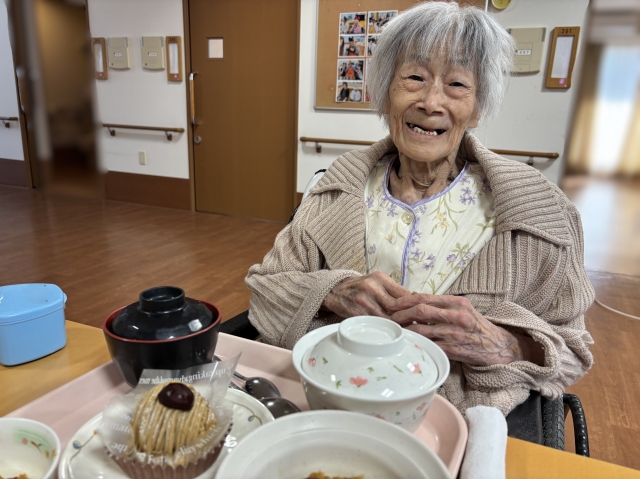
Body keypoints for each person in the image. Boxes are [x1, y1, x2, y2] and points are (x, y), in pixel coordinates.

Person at [246, 2, 594, 416]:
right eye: (414, 77)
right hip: (330, 399)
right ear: (384, 92)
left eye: (457, 84)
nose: (431, 102)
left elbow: (573, 351)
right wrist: (330, 292)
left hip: (455, 421)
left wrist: (504, 344)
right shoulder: (337, 188)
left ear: (477, 108)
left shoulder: (538, 212)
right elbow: (265, 290)